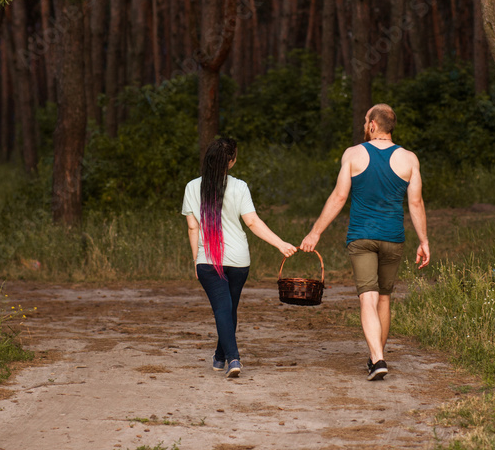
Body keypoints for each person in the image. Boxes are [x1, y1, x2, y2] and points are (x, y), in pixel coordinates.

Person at [300, 104, 429, 381]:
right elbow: (415, 202)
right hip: (394, 238)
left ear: (372, 125)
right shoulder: (409, 159)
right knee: (383, 298)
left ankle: (377, 358)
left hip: (362, 237)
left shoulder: (354, 154)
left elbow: (338, 197)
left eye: (365, 120)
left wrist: (315, 232)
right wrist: (424, 240)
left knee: (367, 299)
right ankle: (377, 357)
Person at [183, 136, 296, 378]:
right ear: (231, 161)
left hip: (208, 260)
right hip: (238, 260)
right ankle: (230, 357)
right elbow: (252, 222)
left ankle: (224, 356)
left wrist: (196, 259)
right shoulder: (239, 186)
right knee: (228, 308)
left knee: (225, 308)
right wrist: (280, 243)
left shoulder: (192, 187)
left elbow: (193, 228)